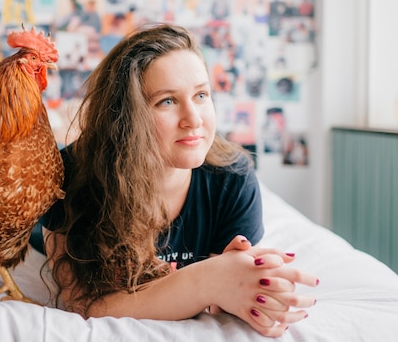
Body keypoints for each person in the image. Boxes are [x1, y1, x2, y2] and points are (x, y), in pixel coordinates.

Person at [31, 23, 318, 338]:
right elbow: (84, 305)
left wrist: (257, 295)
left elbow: (230, 293)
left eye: (201, 95)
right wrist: (209, 279)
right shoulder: (70, 176)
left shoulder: (232, 177)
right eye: (167, 101)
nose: (193, 119)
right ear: (125, 118)